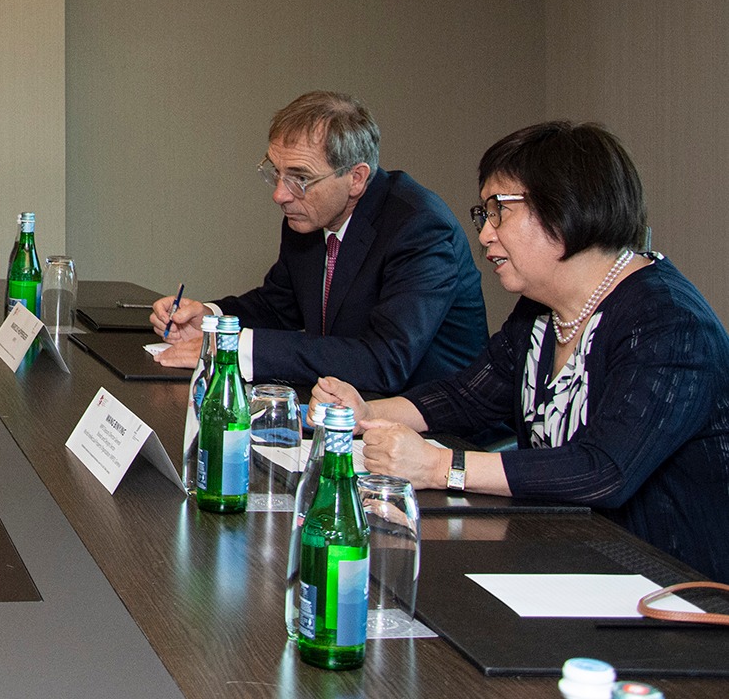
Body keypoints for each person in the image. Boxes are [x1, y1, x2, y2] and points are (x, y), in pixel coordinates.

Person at [315, 121, 729, 582]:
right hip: (561, 556)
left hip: (670, 589)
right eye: (484, 214)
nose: (485, 235)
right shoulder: (540, 310)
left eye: (499, 211)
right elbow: (466, 397)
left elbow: (604, 469)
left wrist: (439, 466)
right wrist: (364, 413)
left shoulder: (670, 323)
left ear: (566, 207)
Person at [151, 91, 486, 392]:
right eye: (276, 172)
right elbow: (278, 306)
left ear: (356, 178)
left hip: (433, 423)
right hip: (344, 406)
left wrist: (240, 349)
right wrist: (211, 320)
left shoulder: (419, 227)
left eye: (300, 178)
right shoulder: (309, 216)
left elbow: (384, 360)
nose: (280, 195)